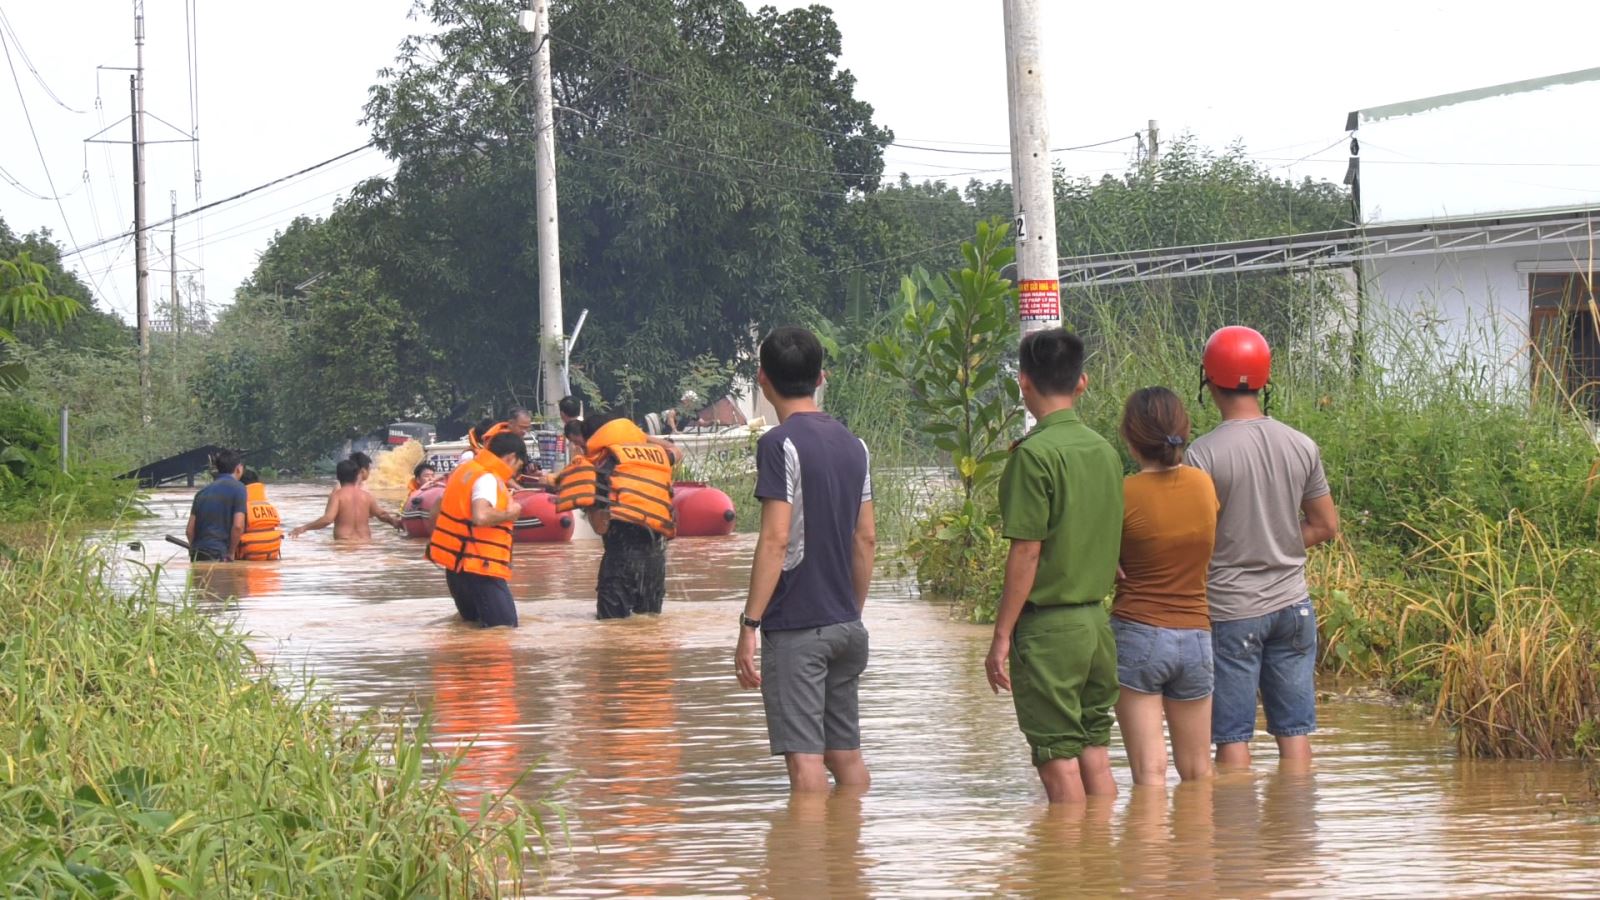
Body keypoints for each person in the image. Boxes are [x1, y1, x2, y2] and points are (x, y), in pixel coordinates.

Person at [1186, 325, 1339, 768]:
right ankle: (1292, 831)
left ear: (1208, 380)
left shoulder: (1202, 455)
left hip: (1233, 610)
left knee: (1232, 736)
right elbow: (1325, 525)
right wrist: (1280, 542)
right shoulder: (1301, 445)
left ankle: (1236, 835)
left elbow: (1196, 538)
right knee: (1294, 733)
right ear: (1265, 379)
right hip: (1295, 608)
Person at [733, 326, 875, 793]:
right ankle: (852, 858)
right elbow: (866, 539)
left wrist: (749, 626)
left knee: (806, 765)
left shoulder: (779, 444)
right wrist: (850, 613)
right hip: (845, 626)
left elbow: (774, 539)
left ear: (762, 379)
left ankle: (804, 863)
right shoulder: (856, 446)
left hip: (796, 626)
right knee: (845, 755)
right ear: (821, 377)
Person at [985, 327, 1123, 804]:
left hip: (1051, 634)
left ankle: (1066, 872)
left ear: (1023, 383)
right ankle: (1103, 863)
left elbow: (1027, 551)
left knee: (1056, 757)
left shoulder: (1034, 456)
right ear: (1081, 383)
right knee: (1094, 750)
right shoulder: (1105, 452)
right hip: (1097, 628)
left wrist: (1001, 636)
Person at [1112, 387, 1219, 785]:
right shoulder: (1204, 486)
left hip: (1139, 632)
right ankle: (1197, 845)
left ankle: (1150, 850)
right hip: (1197, 637)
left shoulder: (1123, 494)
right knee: (1198, 772)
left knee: (1150, 775)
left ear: (1129, 436)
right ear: (1184, 430)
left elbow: (1105, 559)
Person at [575, 413, 681, 619]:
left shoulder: (602, 468)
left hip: (619, 563)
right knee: (649, 628)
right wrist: (642, 437)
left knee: (613, 634)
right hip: (655, 564)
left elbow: (600, 526)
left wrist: (585, 504)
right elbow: (677, 451)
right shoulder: (658, 457)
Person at [426, 431, 527, 628]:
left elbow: (435, 510)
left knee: (471, 628)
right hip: (481, 568)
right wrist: (510, 514)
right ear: (511, 457)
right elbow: (480, 516)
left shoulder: (464, 471)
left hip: (456, 569)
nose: (515, 473)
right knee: (503, 630)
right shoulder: (487, 478)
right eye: (518, 466)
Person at [289, 458, 405, 540]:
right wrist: (394, 522)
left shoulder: (337, 496)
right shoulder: (367, 496)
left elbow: (327, 519)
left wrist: (304, 528)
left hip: (344, 545)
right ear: (356, 476)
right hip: (366, 544)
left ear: (338, 476)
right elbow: (382, 514)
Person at [185, 449, 248, 562]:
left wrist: (194, 549)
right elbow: (238, 526)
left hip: (198, 554)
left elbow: (189, 530)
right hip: (219, 554)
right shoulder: (239, 488)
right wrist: (231, 552)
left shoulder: (201, 493)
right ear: (238, 468)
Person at [237, 469, 285, 561]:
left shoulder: (241, 507)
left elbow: (237, 528)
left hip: (249, 556)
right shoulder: (269, 507)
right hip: (272, 556)